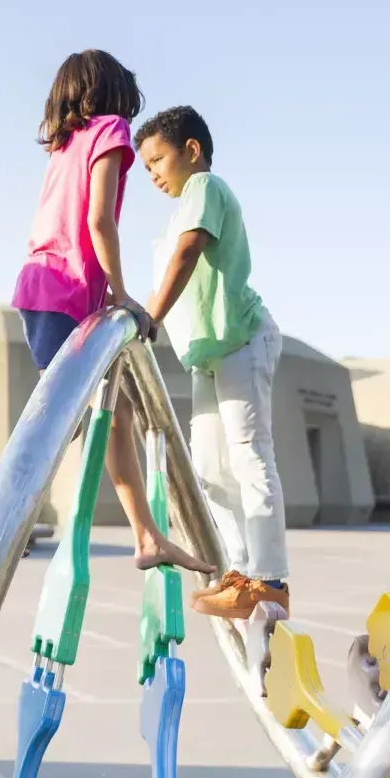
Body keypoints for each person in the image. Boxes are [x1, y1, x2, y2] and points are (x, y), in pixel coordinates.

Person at [0, 49, 213, 578]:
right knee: (55, 421)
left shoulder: (65, 145)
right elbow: (97, 222)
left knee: (114, 417)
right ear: (113, 95)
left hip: (44, 287)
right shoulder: (108, 129)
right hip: (65, 292)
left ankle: (145, 536)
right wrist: (122, 294)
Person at [134, 106, 290, 617]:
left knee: (249, 454)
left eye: (158, 159)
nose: (153, 173)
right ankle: (240, 573)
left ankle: (270, 579)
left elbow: (188, 255)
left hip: (242, 338)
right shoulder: (178, 211)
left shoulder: (205, 188)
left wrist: (149, 318)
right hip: (209, 355)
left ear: (192, 151)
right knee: (209, 468)